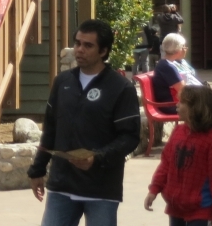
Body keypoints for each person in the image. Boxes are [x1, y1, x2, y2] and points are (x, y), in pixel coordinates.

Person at [28, 19, 142, 225]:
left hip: (101, 189)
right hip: (61, 185)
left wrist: (97, 158)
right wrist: (37, 169)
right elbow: (51, 129)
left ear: (103, 51)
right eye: (77, 43)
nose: (79, 50)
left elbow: (130, 137)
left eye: (88, 45)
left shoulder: (121, 88)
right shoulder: (62, 82)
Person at [145, 85, 212, 226]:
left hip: (201, 209)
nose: (177, 105)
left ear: (197, 108)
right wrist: (154, 189)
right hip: (176, 207)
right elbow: (166, 164)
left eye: (183, 102)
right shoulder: (178, 131)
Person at [152, 34, 203, 112]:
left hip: (176, 103)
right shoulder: (167, 66)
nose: (185, 49)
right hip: (172, 105)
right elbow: (184, 91)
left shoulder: (167, 63)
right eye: (184, 46)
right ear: (179, 49)